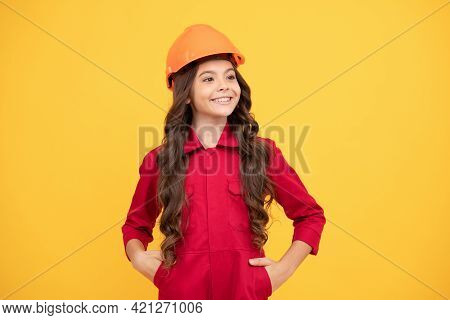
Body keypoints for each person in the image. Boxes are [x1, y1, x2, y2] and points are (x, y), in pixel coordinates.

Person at [121, 24, 326, 300]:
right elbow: (135, 226)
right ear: (186, 93)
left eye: (230, 77)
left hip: (246, 298)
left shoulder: (263, 154)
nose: (224, 87)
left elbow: (310, 215)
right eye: (208, 79)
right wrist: (138, 258)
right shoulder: (160, 160)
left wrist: (281, 272)